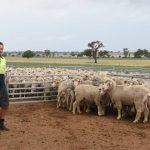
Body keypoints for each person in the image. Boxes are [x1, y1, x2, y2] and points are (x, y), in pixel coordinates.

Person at [0, 41, 9, 131]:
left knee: (5, 104)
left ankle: (1, 124)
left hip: (2, 83)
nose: (1, 50)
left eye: (2, 49)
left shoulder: (3, 59)